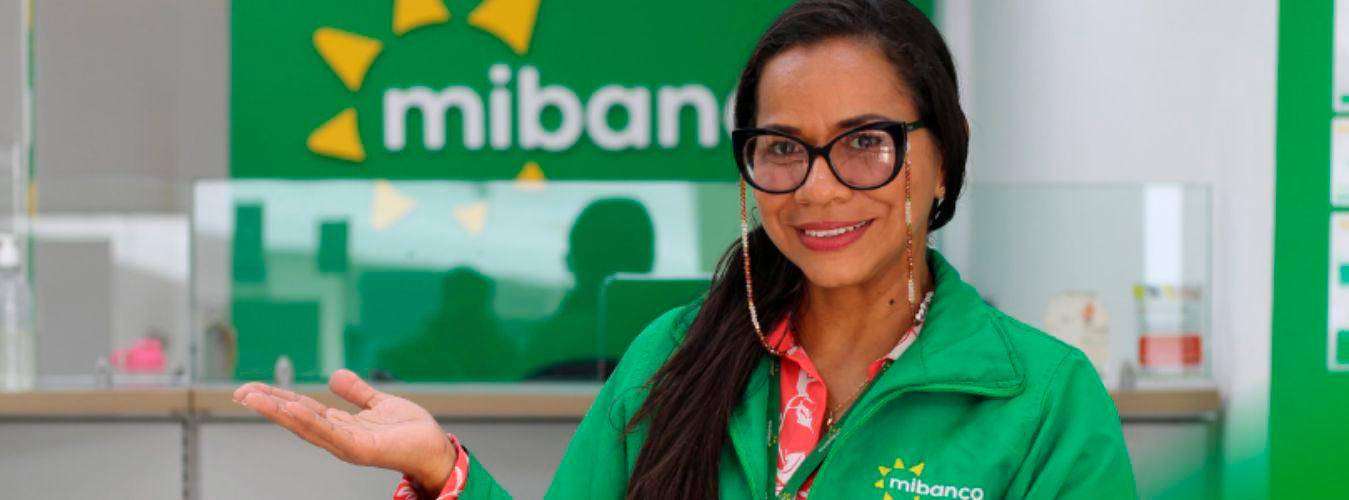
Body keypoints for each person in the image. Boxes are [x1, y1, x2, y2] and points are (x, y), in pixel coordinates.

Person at [232, 1, 1138, 498]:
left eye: (866, 142)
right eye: (781, 147)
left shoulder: (1043, 399)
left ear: (943, 158)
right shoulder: (673, 357)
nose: (818, 187)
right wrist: (444, 472)